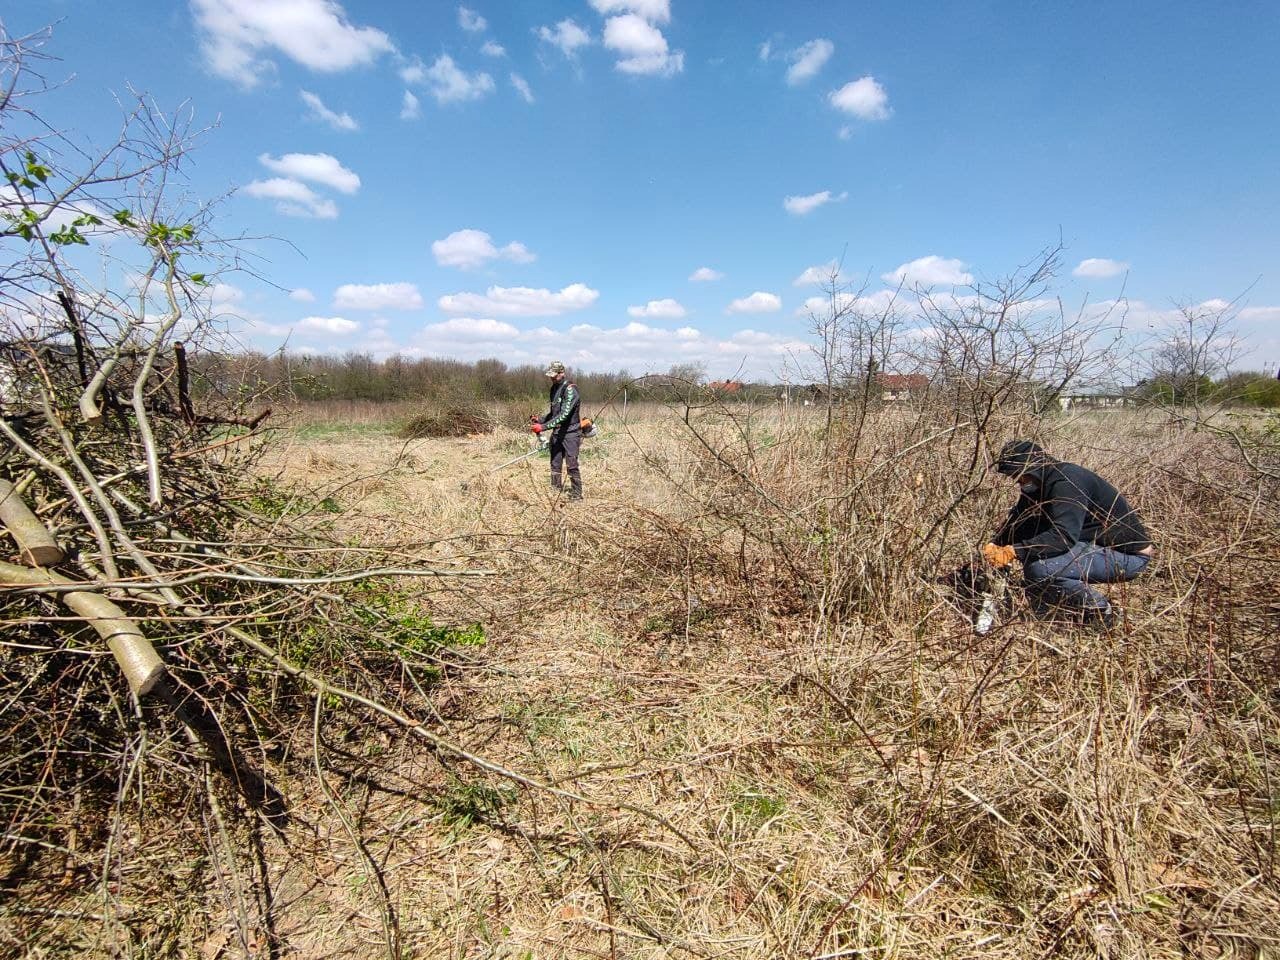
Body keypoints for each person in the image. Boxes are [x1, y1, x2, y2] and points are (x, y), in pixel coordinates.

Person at [983, 439, 1155, 628]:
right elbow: (1020, 521)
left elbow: (1063, 536)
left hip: (1129, 557)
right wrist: (995, 545)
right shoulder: (1039, 483)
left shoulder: (1066, 482)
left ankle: (1100, 611)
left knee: (1040, 568)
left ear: (1032, 467)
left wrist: (1014, 551)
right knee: (1032, 544)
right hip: (1095, 546)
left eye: (1019, 475)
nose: (1018, 481)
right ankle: (1048, 605)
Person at [531, 360, 582, 499]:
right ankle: (555, 491)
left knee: (571, 465)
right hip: (557, 433)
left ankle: (577, 494)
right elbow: (553, 414)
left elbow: (564, 415)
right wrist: (540, 420)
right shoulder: (554, 389)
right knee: (555, 464)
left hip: (571, 433)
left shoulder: (571, 389)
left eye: (555, 375)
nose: (552, 378)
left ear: (562, 373)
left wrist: (543, 427)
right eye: (550, 375)